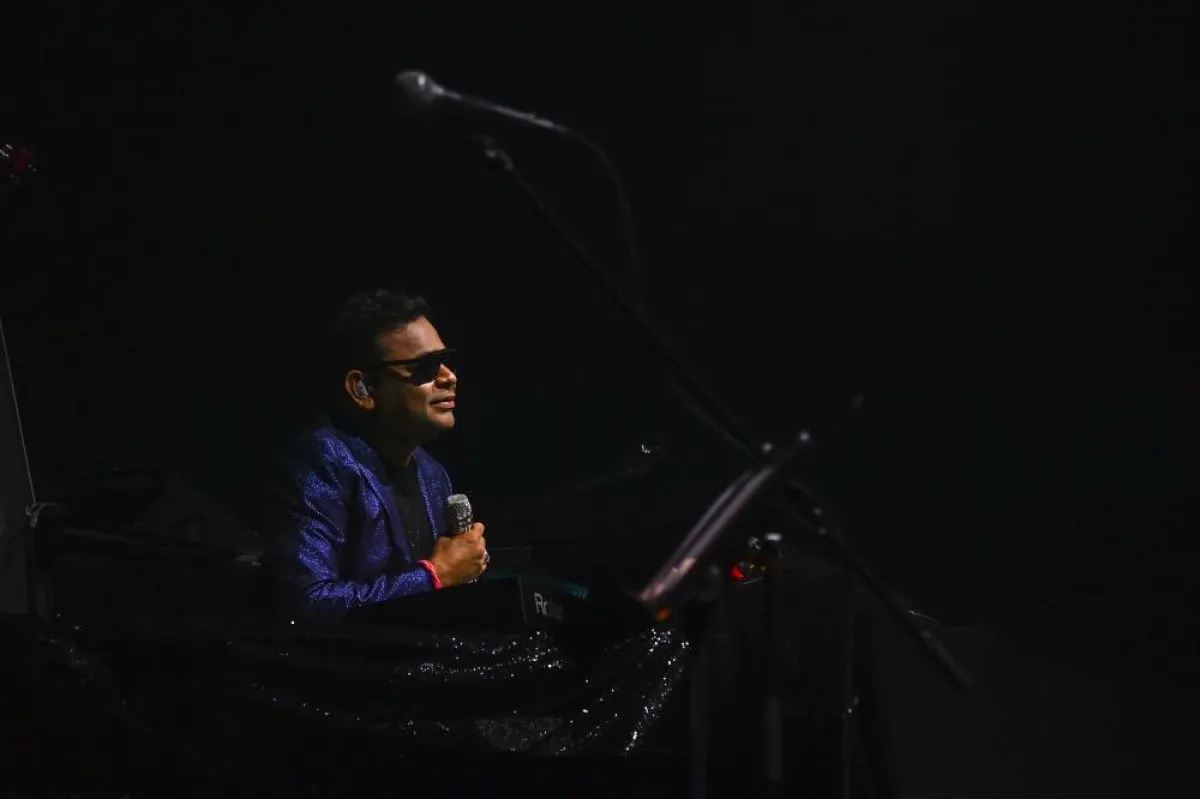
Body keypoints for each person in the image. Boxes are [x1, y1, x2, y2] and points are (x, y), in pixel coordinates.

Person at [260, 289, 488, 620]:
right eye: (425, 367)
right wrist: (433, 577)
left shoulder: (434, 475)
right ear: (362, 388)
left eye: (445, 361)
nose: (448, 377)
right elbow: (305, 604)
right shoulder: (320, 461)